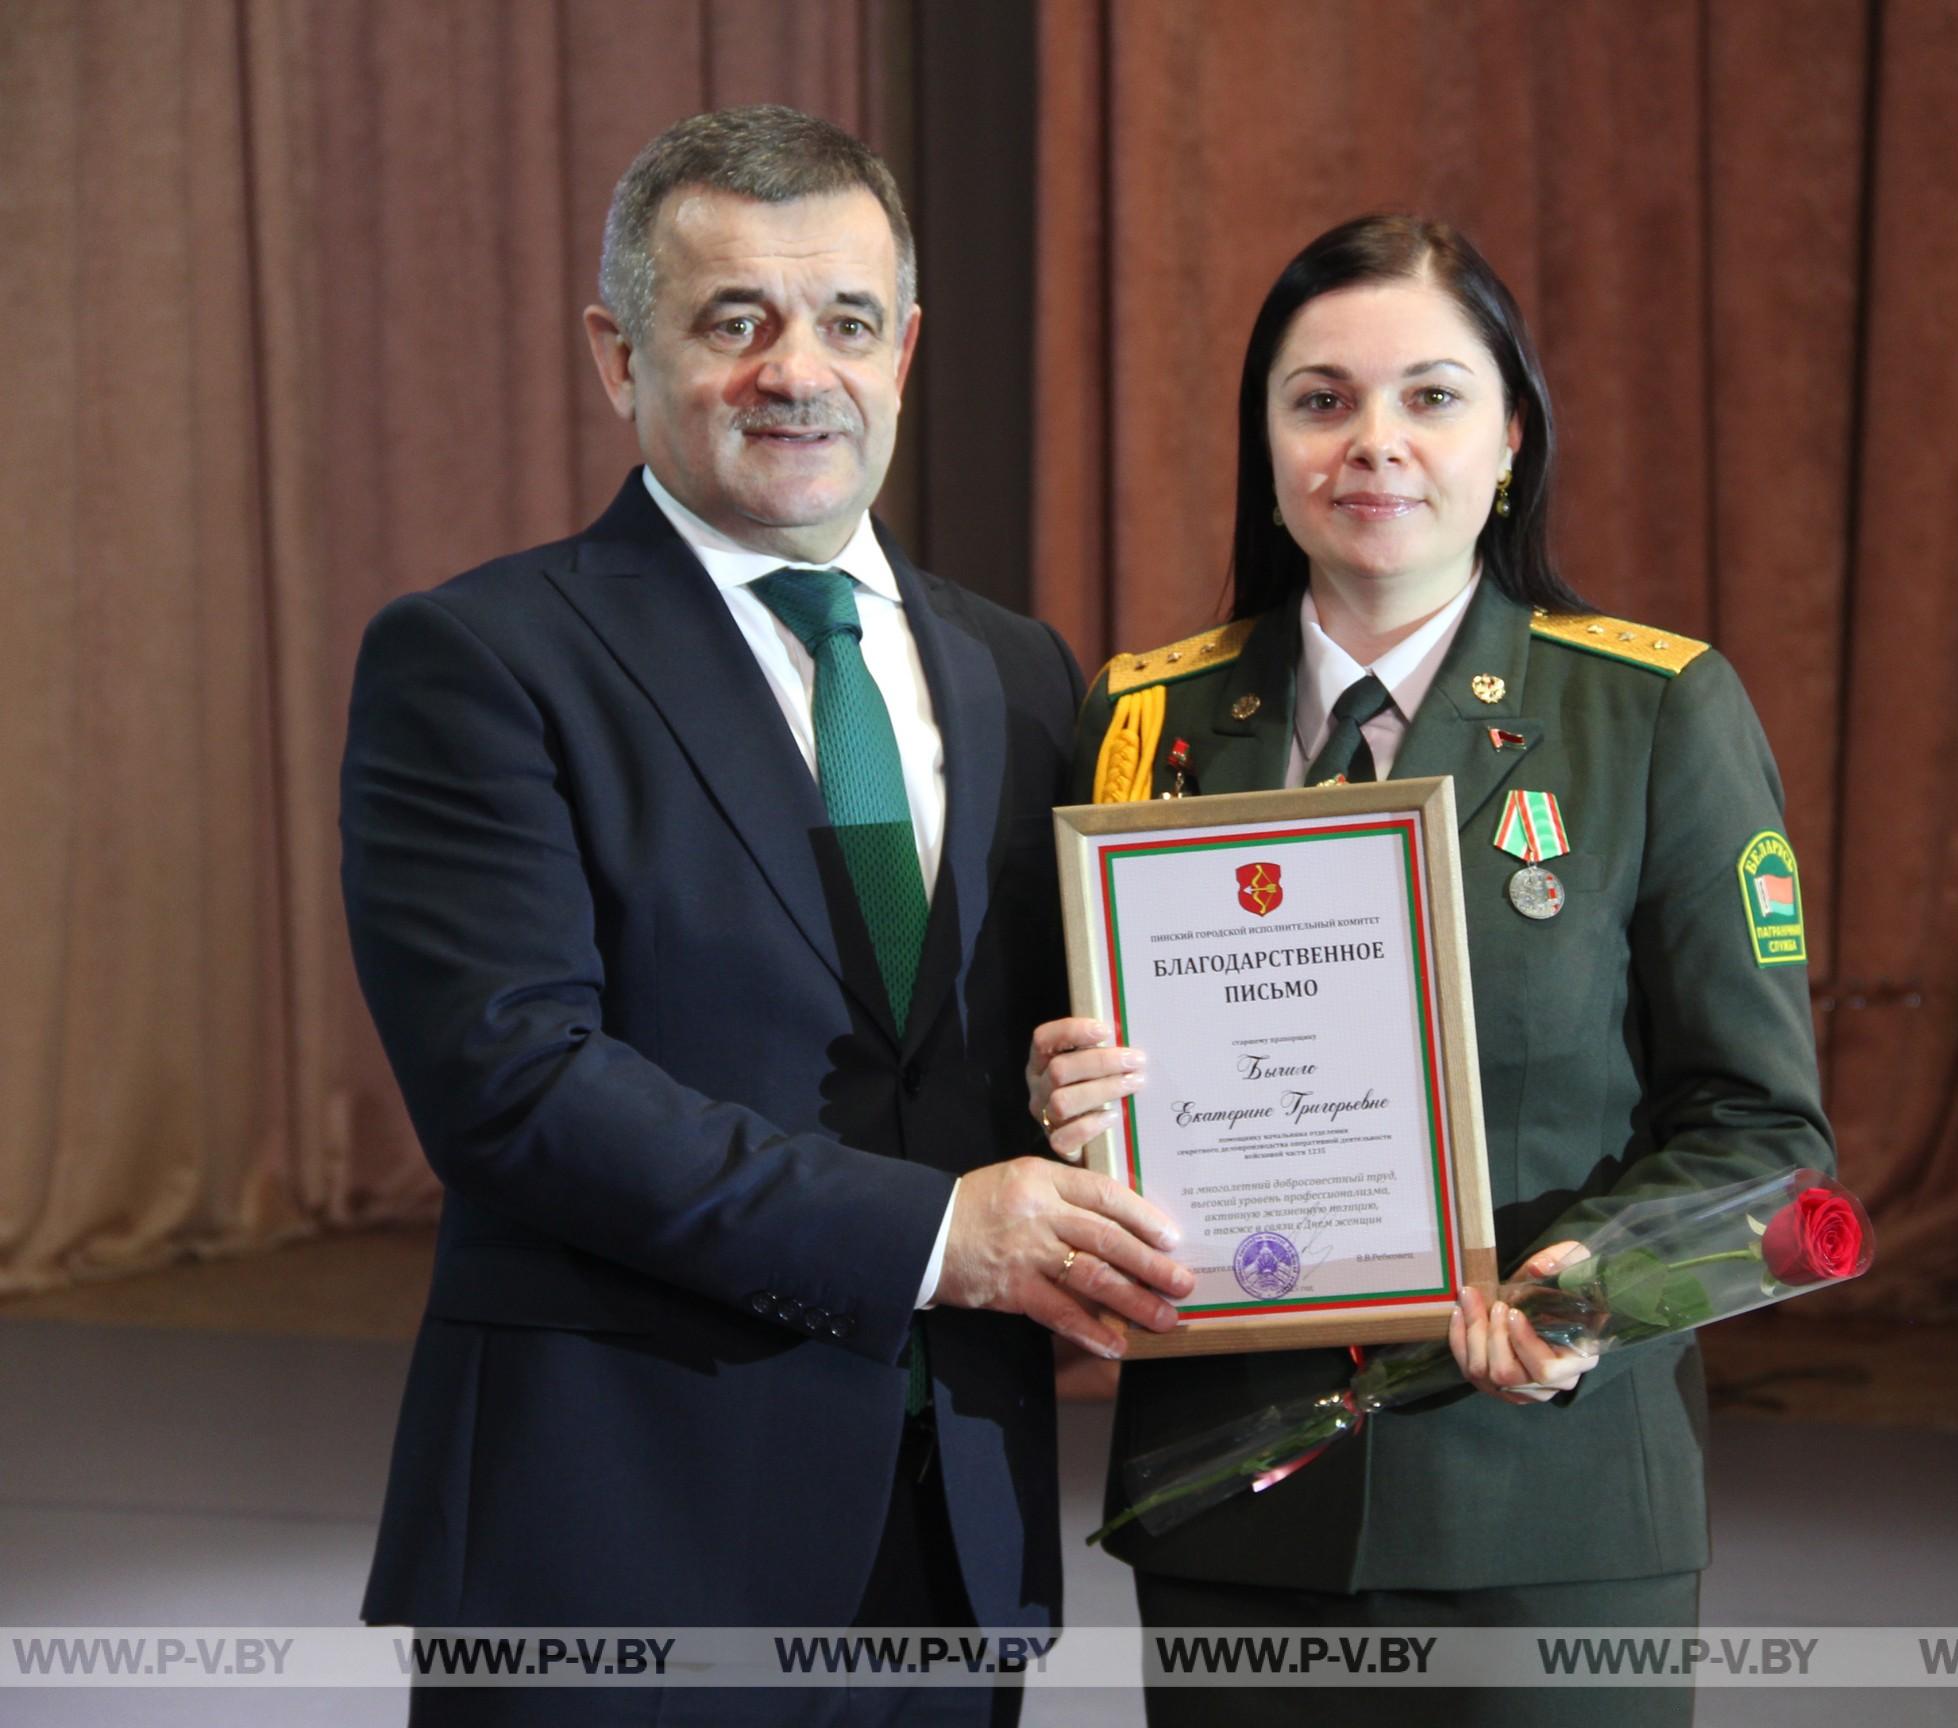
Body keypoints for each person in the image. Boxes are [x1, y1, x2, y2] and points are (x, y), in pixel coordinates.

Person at [340, 105, 1192, 1725]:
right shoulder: (480, 659)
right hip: (619, 1544)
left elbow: (1001, 1050)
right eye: (734, 321)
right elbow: (513, 1088)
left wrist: (1098, 1113)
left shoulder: (1021, 669)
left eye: (847, 322)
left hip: (953, 1536)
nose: (796, 371)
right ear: (617, 355)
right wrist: (942, 1237)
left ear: (907, 348)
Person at [1026, 215, 1837, 1727]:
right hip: (1231, 1495)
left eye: (1432, 397)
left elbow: (1768, 1135)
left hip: (1547, 1511)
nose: (1373, 444)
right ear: (1267, 445)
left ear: (1513, 436)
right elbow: (1069, 1113)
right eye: (1319, 399)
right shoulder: (1143, 722)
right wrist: (1061, 1107)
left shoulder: (1654, 712)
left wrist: (1599, 1283)